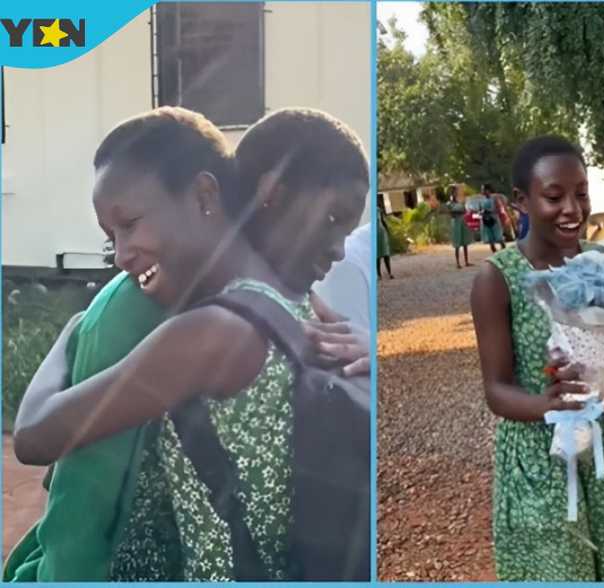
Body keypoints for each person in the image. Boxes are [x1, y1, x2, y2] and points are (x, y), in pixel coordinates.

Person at [8, 107, 370, 581]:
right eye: (110, 237)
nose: (120, 254)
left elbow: (35, 436)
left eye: (130, 223)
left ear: (204, 195)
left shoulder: (212, 333)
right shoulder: (294, 300)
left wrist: (71, 331)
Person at [470, 135, 604, 581]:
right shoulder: (499, 281)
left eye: (582, 193)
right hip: (539, 462)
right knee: (556, 570)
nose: (573, 208)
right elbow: (497, 391)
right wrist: (550, 405)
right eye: (554, 196)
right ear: (522, 201)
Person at [446, 185, 473, 268]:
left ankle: (466, 261)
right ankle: (457, 263)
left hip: (462, 221)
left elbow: (464, 211)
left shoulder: (458, 202)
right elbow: (452, 214)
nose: (455, 193)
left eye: (455, 192)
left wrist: (461, 211)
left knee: (465, 242)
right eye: (453, 192)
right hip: (456, 222)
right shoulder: (449, 203)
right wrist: (459, 211)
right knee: (457, 242)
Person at [477, 183, 507, 253]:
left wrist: (490, 211)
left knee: (499, 238)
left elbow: (499, 208)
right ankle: (495, 255)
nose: (482, 191)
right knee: (490, 240)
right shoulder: (481, 200)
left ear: (488, 190)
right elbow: (479, 211)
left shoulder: (494, 198)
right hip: (485, 221)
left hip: (494, 220)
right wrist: (481, 213)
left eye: (483, 189)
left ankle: (504, 253)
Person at [374, 195, 395, 279]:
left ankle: (390, 273)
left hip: (382, 233)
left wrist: (388, 231)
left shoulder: (378, 210)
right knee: (377, 256)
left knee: (386, 254)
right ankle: (379, 275)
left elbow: (382, 221)